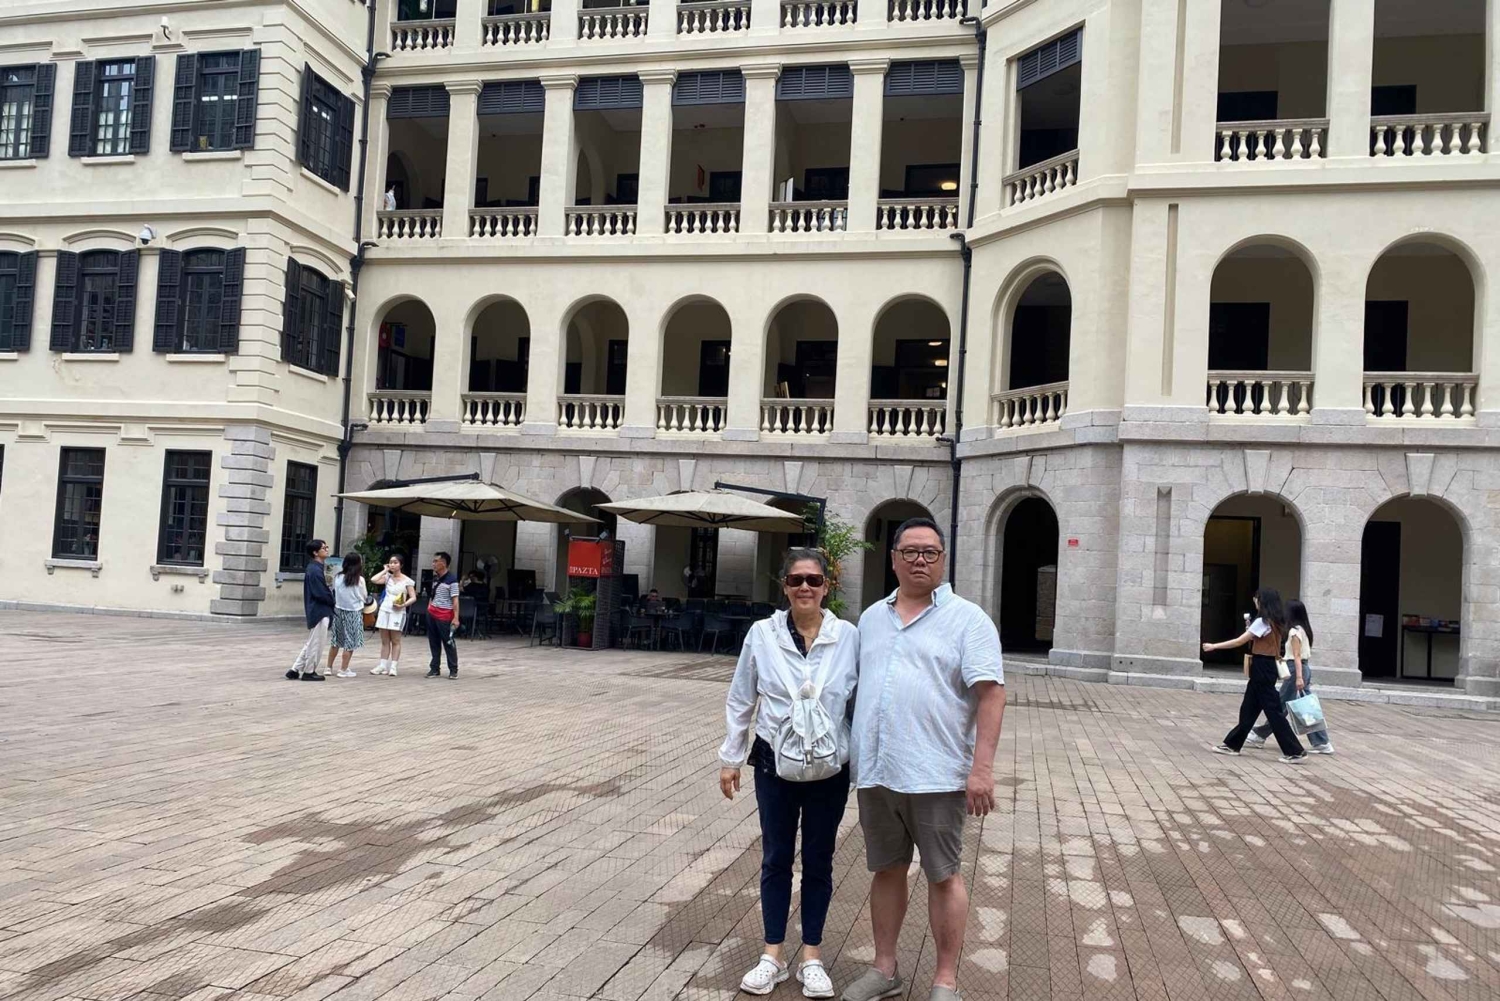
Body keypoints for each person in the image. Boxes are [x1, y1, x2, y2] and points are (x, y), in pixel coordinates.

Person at [844, 518, 1005, 1001]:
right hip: (877, 772)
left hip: (936, 774)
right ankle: (885, 969)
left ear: (943, 560)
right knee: (886, 870)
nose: (920, 560)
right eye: (910, 551)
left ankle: (945, 980)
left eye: (930, 552)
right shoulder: (871, 618)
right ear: (894, 559)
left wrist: (982, 769)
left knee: (943, 875)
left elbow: (992, 694)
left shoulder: (968, 619)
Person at [720, 548, 859, 999]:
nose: (805, 587)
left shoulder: (848, 637)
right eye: (796, 579)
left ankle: (812, 957)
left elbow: (861, 704)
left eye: (813, 580)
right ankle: (773, 955)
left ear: (826, 587)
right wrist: (730, 757)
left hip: (829, 766)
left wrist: (864, 764)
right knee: (776, 857)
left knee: (819, 859)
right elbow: (742, 697)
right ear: (784, 586)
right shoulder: (762, 634)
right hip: (772, 763)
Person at [1204, 588, 1307, 763]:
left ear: (1262, 601)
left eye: (1257, 598)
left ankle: (1295, 751)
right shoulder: (1276, 621)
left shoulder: (1262, 621)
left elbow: (1239, 641)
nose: (1255, 601)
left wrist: (1214, 646)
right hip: (1267, 666)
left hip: (1262, 666)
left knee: (1273, 711)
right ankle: (1233, 744)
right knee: (1249, 708)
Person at [1247, 599, 1332, 754]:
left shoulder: (1294, 632)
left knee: (1281, 705)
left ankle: (1259, 734)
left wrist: (1298, 677)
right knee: (1306, 707)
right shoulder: (1304, 630)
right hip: (1303, 668)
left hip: (1296, 669)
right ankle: (1321, 742)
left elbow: (1297, 656)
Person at [286, 539, 333, 682]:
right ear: (315, 552)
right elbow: (320, 592)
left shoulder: (315, 568)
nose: (327, 549)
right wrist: (332, 601)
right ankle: (309, 671)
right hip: (319, 610)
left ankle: (295, 669)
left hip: (318, 609)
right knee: (317, 642)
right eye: (324, 548)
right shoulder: (315, 570)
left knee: (313, 640)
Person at [369, 554, 416, 676]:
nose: (392, 565)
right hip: (385, 610)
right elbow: (374, 579)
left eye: (395, 562)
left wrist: (403, 605)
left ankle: (393, 666)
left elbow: (413, 597)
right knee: (385, 640)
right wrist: (385, 570)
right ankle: (382, 665)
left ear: (401, 565)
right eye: (391, 562)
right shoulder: (387, 577)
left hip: (398, 611)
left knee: (395, 640)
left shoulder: (407, 581)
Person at [327, 553, 368, 678]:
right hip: (354, 611)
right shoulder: (359, 579)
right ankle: (343, 669)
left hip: (339, 610)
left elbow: (334, 591)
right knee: (350, 642)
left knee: (336, 640)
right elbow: (364, 596)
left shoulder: (338, 577)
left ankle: (328, 667)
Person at [426, 551, 461, 679]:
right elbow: (432, 595)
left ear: (444, 563)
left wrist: (456, 618)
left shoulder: (452, 580)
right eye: (433, 561)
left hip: (444, 615)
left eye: (436, 561)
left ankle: (453, 669)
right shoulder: (435, 578)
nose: (433, 564)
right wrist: (429, 608)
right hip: (432, 613)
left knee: (448, 642)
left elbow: (455, 600)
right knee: (433, 642)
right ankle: (434, 668)